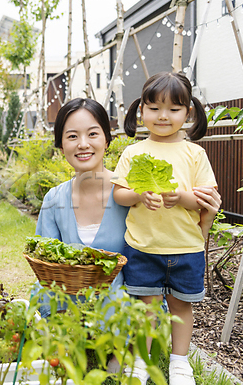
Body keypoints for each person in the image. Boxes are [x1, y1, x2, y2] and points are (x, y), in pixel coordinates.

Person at [34, 97, 220, 377]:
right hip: (71, 302)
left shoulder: (135, 193)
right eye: (72, 136)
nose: (83, 144)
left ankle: (126, 350)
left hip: (124, 304)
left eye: (93, 134)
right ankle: (74, 342)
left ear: (107, 141)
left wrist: (206, 219)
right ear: (61, 146)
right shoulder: (54, 199)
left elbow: (172, 241)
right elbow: (46, 266)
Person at [112, 72, 218, 385]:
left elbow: (206, 198)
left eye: (174, 109)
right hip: (144, 246)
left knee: (182, 307)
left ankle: (180, 363)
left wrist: (181, 197)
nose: (163, 116)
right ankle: (142, 362)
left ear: (188, 113)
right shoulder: (133, 152)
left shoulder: (194, 153)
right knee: (146, 308)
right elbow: (119, 194)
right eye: (155, 108)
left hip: (186, 246)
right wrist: (139, 195)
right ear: (141, 110)